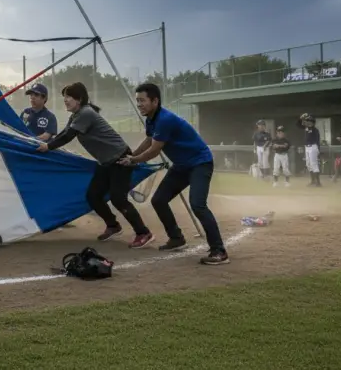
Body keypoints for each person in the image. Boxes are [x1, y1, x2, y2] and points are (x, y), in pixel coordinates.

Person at [119, 83, 229, 264]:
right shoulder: (151, 120)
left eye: (142, 100)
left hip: (200, 163)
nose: (139, 104)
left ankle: (219, 251)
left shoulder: (165, 119)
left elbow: (154, 150)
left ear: (155, 101)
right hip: (181, 166)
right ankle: (176, 238)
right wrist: (132, 155)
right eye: (137, 100)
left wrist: (133, 160)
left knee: (198, 205)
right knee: (159, 200)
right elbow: (149, 140)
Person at [38, 82, 154, 249]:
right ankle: (113, 225)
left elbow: (69, 136)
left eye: (68, 97)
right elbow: (64, 132)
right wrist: (47, 144)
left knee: (118, 198)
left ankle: (143, 232)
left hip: (120, 158)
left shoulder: (86, 113)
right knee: (93, 196)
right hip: (106, 162)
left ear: (78, 99)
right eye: (64, 97)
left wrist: (48, 146)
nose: (65, 100)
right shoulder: (76, 115)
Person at [297, 113, 322, 187]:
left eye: (309, 121)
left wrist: (318, 150)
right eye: (307, 121)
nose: (307, 122)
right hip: (307, 147)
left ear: (312, 122)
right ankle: (313, 181)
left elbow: (317, 141)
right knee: (308, 164)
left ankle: (318, 182)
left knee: (314, 164)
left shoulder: (315, 130)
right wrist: (301, 118)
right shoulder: (306, 128)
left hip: (313, 147)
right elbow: (298, 124)